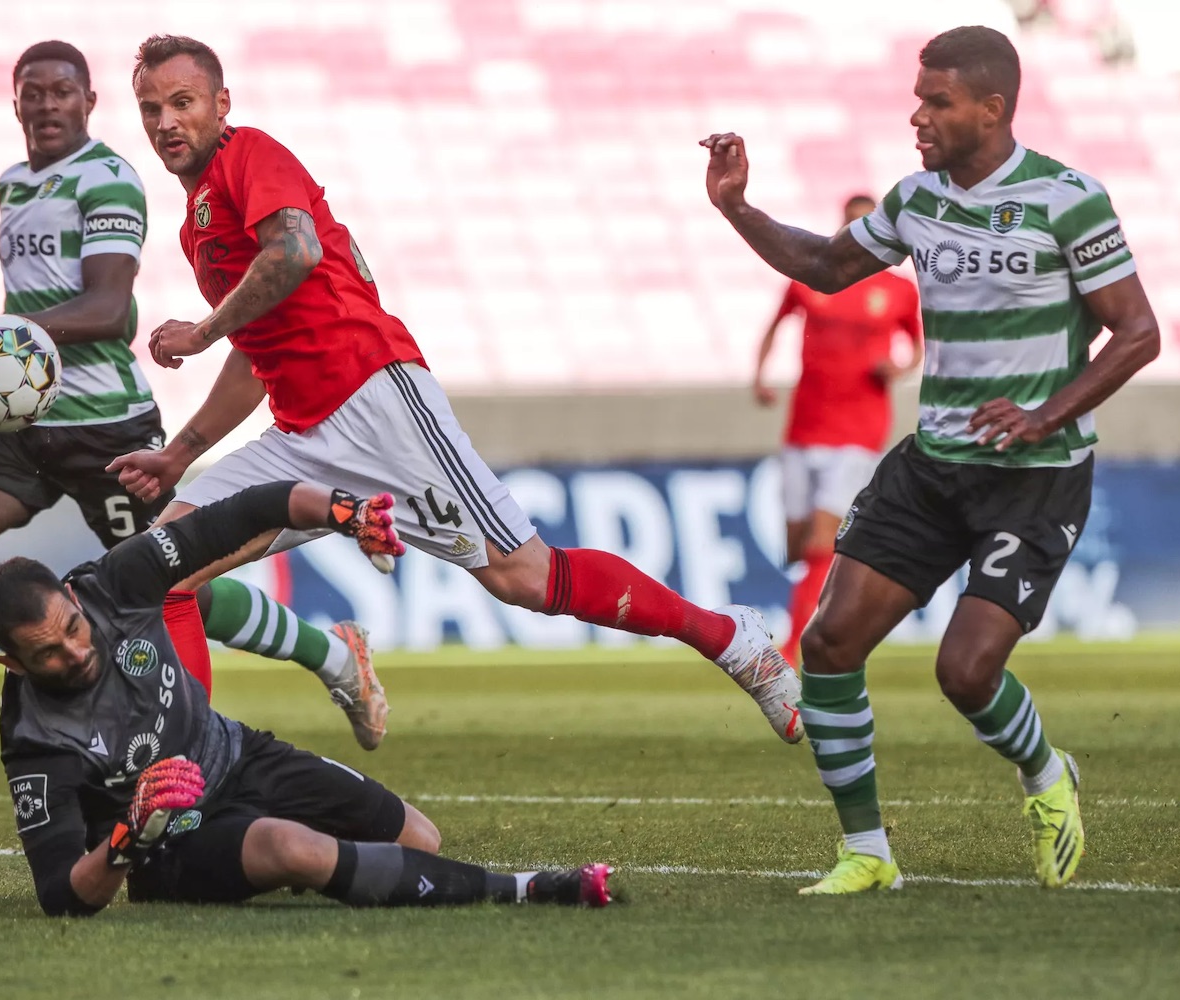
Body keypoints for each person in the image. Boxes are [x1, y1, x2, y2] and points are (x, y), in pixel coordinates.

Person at [104, 34, 802, 746]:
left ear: (222, 105)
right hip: (301, 434)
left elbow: (297, 249)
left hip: (376, 398)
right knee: (161, 569)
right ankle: (185, 774)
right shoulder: (198, 224)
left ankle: (730, 638)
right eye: (150, 108)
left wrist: (203, 331)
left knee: (524, 579)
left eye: (182, 102)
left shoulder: (250, 154)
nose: (165, 122)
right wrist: (180, 453)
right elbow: (258, 355)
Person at [0, 41, 388, 828]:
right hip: (21, 428)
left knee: (159, 591)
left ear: (90, 102)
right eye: (33, 93)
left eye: (63, 91)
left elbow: (106, 311)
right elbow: (29, 313)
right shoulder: (14, 183)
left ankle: (334, 657)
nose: (48, 104)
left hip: (105, 428)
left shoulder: (109, 178)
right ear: (15, 102)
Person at [703, 24, 1160, 894]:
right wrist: (737, 208)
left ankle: (1046, 772)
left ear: (991, 109)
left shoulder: (1068, 198)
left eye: (937, 100)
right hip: (935, 464)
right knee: (830, 644)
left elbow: (1137, 332)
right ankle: (867, 853)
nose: (917, 115)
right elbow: (824, 266)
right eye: (918, 97)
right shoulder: (916, 199)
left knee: (966, 670)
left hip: (1036, 475)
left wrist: (1042, 414)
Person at [0, 480, 612, 915]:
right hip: (167, 843)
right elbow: (61, 894)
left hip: (237, 752)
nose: (75, 653)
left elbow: (249, 510)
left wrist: (344, 512)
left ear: (77, 600)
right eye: (48, 653)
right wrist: (126, 839)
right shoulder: (35, 739)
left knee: (419, 840)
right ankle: (529, 889)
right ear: (13, 664)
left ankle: (288, 858)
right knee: (290, 848)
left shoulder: (116, 582)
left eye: (74, 631)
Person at [753, 194, 924, 664]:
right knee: (796, 545)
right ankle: (840, 611)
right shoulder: (813, 279)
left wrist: (897, 369)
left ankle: (792, 649)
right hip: (804, 427)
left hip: (858, 431)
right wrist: (761, 374)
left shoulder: (897, 290)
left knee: (820, 542)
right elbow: (776, 324)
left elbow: (916, 346)